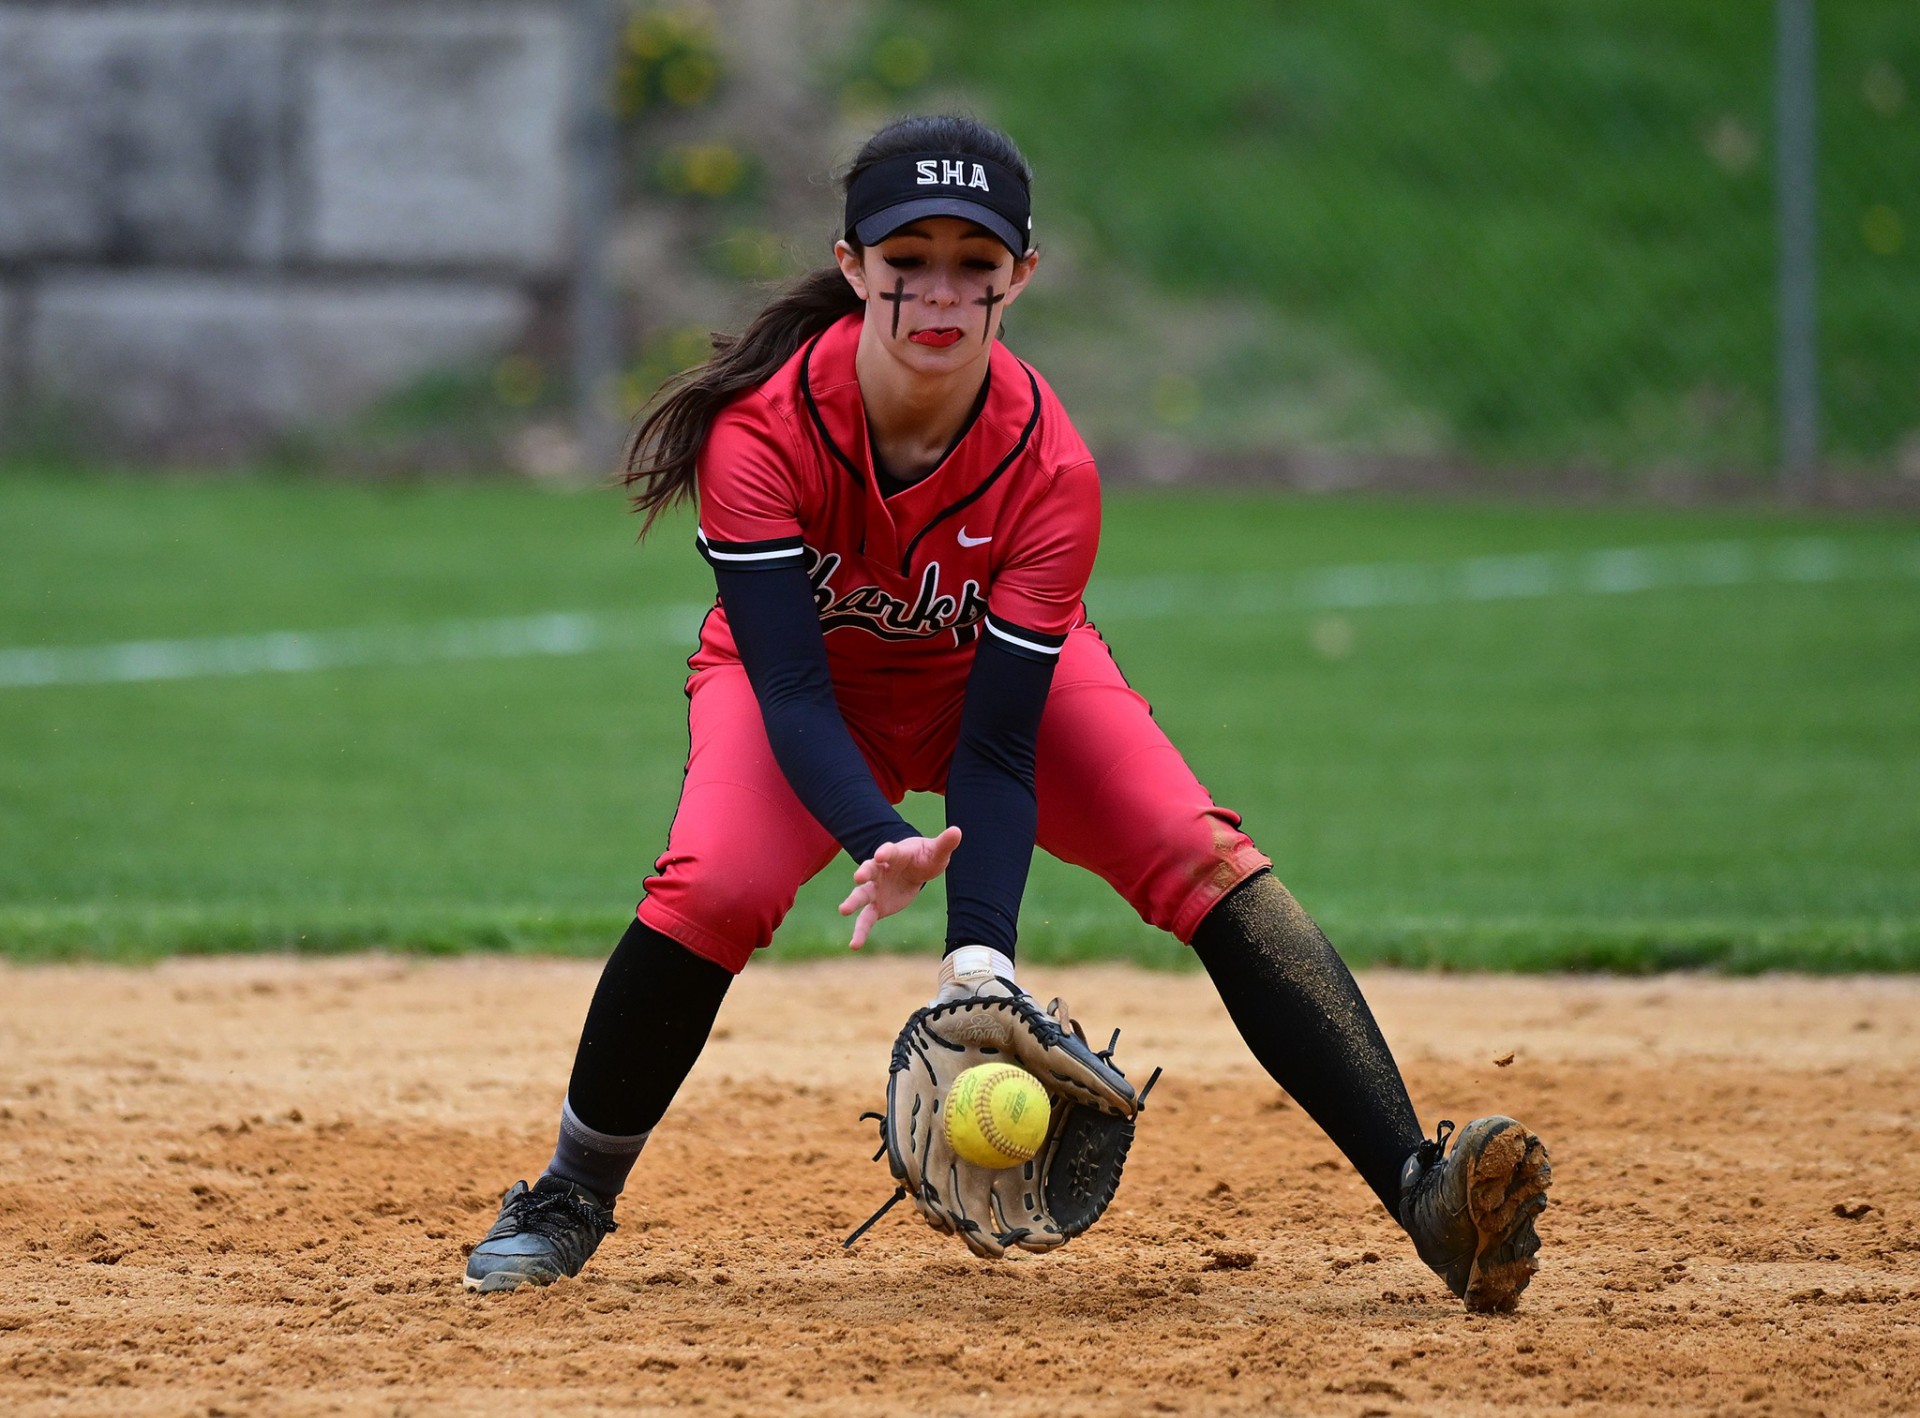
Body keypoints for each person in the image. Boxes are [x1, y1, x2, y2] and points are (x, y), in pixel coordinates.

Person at [463, 114, 1550, 1311]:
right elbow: (791, 690)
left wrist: (976, 956)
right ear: (851, 265)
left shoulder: (1049, 466)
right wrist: (881, 835)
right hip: (811, 696)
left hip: (986, 684)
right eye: (907, 259)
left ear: (1019, 276)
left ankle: (1422, 1188)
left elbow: (995, 739)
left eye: (974, 264)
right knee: (712, 885)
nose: (940, 293)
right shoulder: (762, 433)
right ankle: (568, 1192)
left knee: (1199, 851)